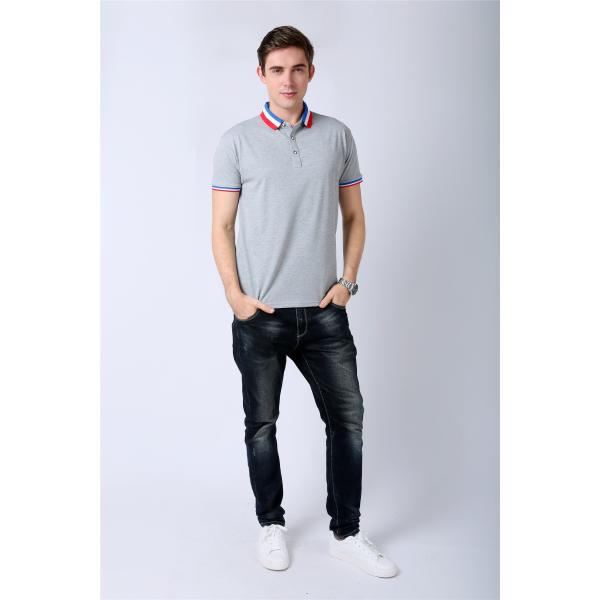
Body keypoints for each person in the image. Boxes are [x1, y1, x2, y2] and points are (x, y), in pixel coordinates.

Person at [210, 25, 398, 578]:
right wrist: (236, 297)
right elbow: (222, 226)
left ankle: (347, 533)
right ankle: (271, 525)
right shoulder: (236, 141)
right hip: (261, 315)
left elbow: (355, 216)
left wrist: (347, 282)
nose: (287, 79)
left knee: (348, 421)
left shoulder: (337, 136)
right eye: (277, 70)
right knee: (261, 425)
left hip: (324, 314)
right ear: (261, 74)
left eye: (297, 68)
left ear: (311, 72)